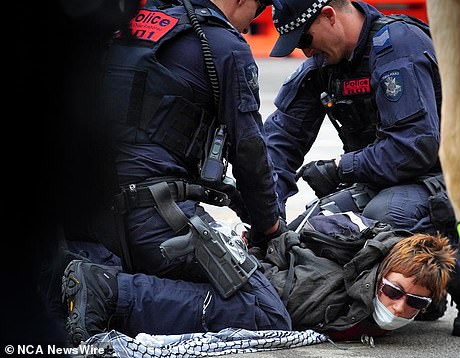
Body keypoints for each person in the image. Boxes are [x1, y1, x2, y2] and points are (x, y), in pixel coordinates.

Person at [61, 0, 293, 345]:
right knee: (265, 310)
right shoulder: (223, 44)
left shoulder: (121, 24)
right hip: (155, 220)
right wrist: (269, 227)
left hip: (84, 214)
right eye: (255, 12)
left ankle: (74, 284)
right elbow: (249, 152)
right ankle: (110, 291)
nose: (247, 24)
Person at [262, 0, 460, 336]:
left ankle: (446, 279)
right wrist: (268, 221)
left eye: (305, 40)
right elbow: (279, 142)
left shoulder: (397, 46)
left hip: (441, 179)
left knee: (383, 215)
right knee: (315, 228)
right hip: (378, 180)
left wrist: (340, 167)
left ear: (329, 16)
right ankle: (358, 299)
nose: (305, 52)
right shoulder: (325, 63)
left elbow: (415, 147)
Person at [258, 214, 456, 341]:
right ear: (380, 276)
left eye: (416, 302)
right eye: (393, 291)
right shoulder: (322, 292)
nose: (399, 307)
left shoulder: (427, 287)